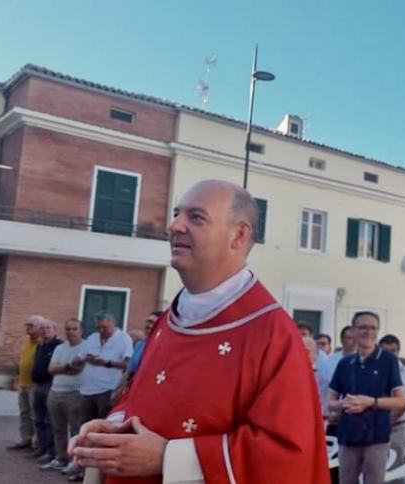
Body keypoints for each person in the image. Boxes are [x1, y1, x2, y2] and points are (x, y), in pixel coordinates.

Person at [70, 179, 329, 483]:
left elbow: (286, 454)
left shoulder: (273, 333)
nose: (176, 225)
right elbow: (141, 395)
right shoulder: (170, 318)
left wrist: (169, 458)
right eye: (177, 213)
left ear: (239, 234)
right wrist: (113, 429)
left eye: (196, 217)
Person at [328, 312, 405, 484]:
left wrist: (370, 402)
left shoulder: (388, 360)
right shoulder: (345, 363)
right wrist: (345, 404)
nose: (368, 332)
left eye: (373, 328)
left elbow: (400, 400)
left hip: (377, 436)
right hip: (348, 435)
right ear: (354, 331)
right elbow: (331, 402)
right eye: (363, 327)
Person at [74, 311, 132, 424]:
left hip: (107, 390)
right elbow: (76, 360)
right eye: (98, 327)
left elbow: (128, 364)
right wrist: (85, 359)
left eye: (105, 327)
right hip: (86, 390)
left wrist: (106, 363)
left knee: (102, 426)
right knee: (84, 426)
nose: (101, 330)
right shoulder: (92, 338)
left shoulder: (124, 339)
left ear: (113, 323)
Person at [42, 318, 85, 472]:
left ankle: (75, 462)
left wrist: (61, 367)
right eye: (68, 329)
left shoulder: (85, 347)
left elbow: (77, 369)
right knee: (58, 428)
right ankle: (60, 458)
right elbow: (51, 369)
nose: (71, 332)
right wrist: (67, 366)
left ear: (81, 330)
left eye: (74, 329)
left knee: (75, 430)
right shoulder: (60, 348)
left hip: (75, 393)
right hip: (55, 392)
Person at [378, 334, 405, 483]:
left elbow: (404, 404)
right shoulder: (374, 372)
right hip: (374, 427)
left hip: (396, 428)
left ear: (398, 352)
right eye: (385, 351)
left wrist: (381, 424)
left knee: (395, 470)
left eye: (393, 351)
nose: (389, 354)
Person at [30, 317, 63, 464]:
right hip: (38, 385)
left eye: (48, 328)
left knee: (49, 420)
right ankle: (41, 448)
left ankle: (51, 451)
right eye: (43, 328)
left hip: (51, 384)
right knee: (38, 419)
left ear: (55, 330)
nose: (45, 330)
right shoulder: (40, 345)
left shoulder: (59, 346)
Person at [7, 315, 42, 452]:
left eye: (31, 325)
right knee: (24, 412)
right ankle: (25, 439)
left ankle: (37, 443)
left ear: (39, 327)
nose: (27, 328)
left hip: (35, 384)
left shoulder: (42, 342)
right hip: (24, 382)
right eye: (26, 325)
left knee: (36, 414)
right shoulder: (26, 341)